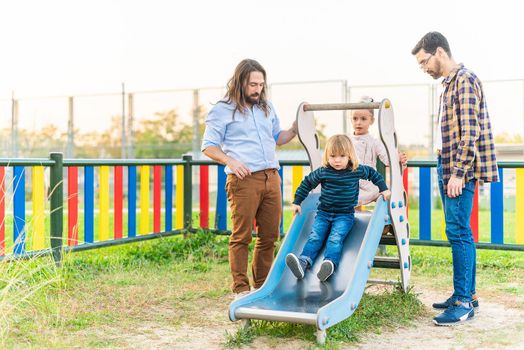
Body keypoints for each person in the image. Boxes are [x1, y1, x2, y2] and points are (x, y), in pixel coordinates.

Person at [412, 32, 498, 326]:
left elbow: (469, 132)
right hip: (445, 161)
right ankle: (467, 294)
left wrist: (459, 173)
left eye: (425, 61)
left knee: (459, 231)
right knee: (458, 230)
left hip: (457, 168)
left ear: (439, 52)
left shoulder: (464, 79)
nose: (424, 68)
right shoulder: (449, 84)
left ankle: (463, 303)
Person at [201, 59, 297, 297]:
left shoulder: (267, 107)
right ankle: (241, 289)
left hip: (271, 177)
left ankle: (262, 286)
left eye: (261, 84)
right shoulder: (222, 109)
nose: (258, 89)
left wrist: (295, 129)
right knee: (241, 235)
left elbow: (278, 137)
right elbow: (208, 146)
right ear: (240, 81)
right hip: (243, 180)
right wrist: (230, 161)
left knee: (270, 236)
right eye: (253, 84)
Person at [285, 134, 391, 281]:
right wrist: (297, 201)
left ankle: (329, 264)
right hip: (323, 213)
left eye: (342, 156)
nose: (337, 160)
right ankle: (303, 263)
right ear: (327, 156)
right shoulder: (323, 172)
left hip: (344, 215)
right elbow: (307, 183)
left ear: (350, 156)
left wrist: (384, 189)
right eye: (333, 156)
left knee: (335, 238)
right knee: (315, 237)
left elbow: (374, 174)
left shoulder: (356, 170)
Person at [349, 96, 407, 206]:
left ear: (372, 121)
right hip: (350, 181)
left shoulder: (374, 141)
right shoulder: (347, 140)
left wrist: (397, 158)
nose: (358, 123)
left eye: (363, 119)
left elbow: (386, 159)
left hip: (368, 182)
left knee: (380, 190)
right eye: (355, 118)